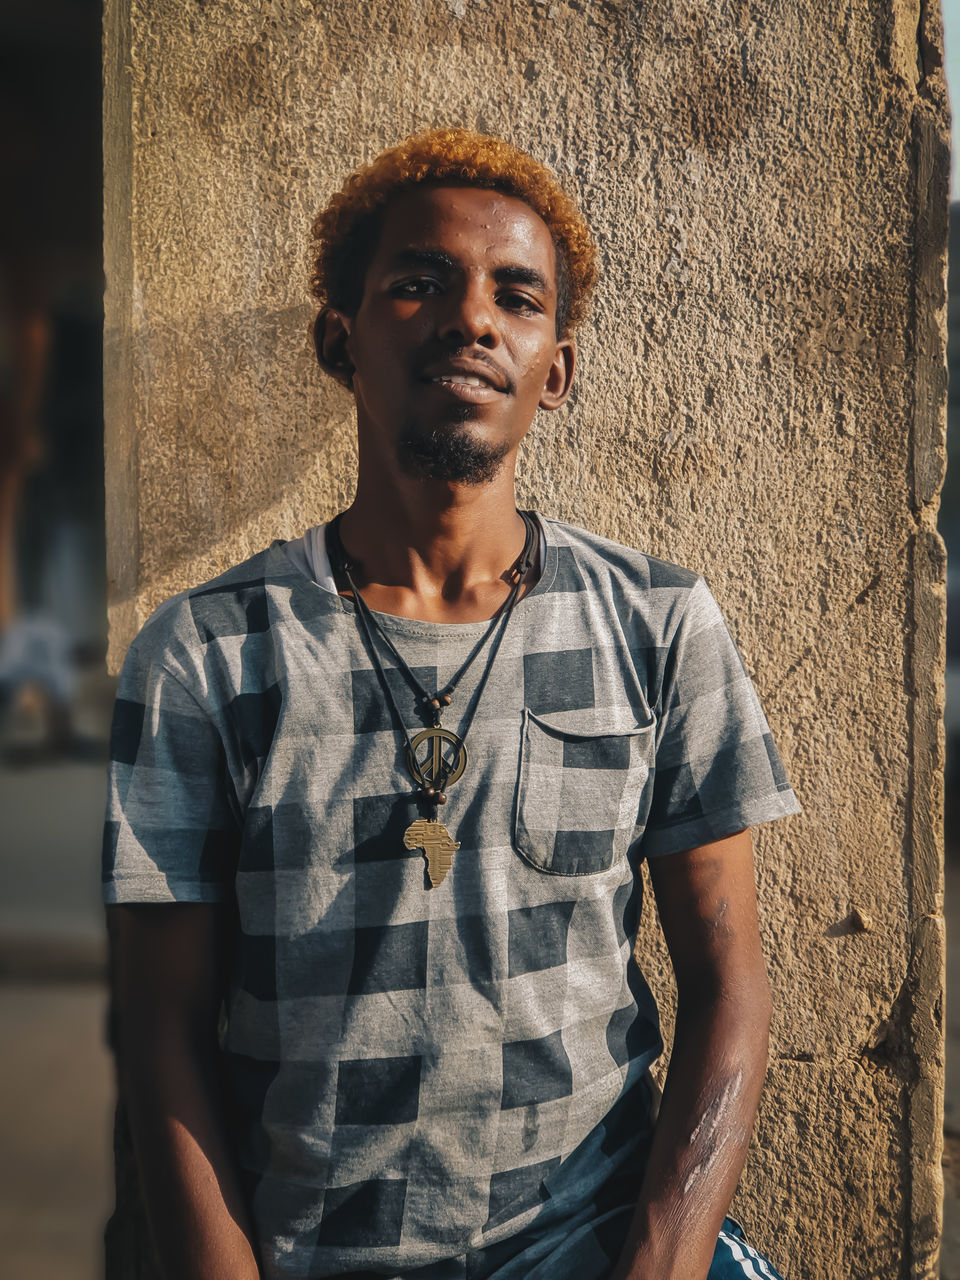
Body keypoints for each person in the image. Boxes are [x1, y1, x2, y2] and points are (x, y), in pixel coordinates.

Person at [103, 128, 801, 1280]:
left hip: (598, 1235)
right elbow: (163, 1025)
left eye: (516, 297)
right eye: (420, 283)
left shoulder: (661, 624)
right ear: (342, 340)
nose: (473, 318)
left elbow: (732, 985)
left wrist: (659, 1263)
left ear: (556, 370)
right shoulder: (205, 654)